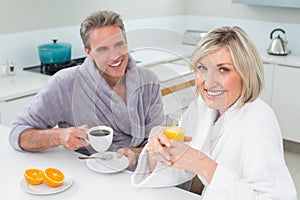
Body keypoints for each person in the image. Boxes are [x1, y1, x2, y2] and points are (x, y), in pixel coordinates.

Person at [131, 26, 297, 199]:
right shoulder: (202, 106)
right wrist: (156, 145)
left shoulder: (259, 120)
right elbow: (176, 166)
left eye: (223, 69)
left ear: (245, 73)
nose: (209, 83)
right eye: (202, 68)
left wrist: (201, 164)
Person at [9, 10, 164, 168]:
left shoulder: (148, 81)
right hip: (88, 174)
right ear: (88, 52)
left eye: (119, 44)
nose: (115, 56)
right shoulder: (66, 83)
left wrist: (135, 154)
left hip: (140, 170)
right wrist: (59, 136)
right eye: (103, 49)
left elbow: (157, 141)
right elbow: (18, 133)